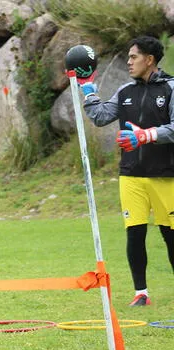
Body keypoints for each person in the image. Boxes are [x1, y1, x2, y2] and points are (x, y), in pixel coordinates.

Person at [79, 35, 174, 306]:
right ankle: (140, 293)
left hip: (165, 175)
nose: (129, 62)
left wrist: (146, 136)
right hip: (131, 174)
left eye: (134, 57)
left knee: (170, 235)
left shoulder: (170, 88)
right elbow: (100, 117)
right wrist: (88, 91)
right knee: (135, 233)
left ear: (150, 59)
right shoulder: (125, 91)